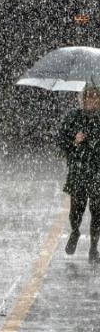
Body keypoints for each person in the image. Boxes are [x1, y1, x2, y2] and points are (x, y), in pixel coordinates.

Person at [59, 85, 100, 262]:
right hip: (78, 171)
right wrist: (74, 141)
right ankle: (75, 232)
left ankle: (93, 247)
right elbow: (61, 142)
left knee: (97, 212)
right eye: (88, 97)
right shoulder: (73, 118)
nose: (92, 101)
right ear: (82, 99)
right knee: (76, 209)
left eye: (95, 97)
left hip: (98, 172)